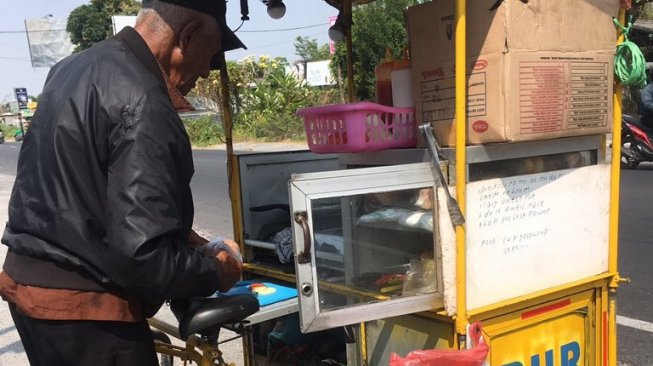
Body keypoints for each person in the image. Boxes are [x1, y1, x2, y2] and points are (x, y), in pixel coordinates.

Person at [0, 0, 246, 365]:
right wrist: (217, 271)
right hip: (86, 312)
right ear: (188, 37)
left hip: (27, 288)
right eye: (209, 55)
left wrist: (186, 239)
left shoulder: (70, 67)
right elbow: (144, 261)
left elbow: (86, 191)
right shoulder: (145, 100)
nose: (207, 73)